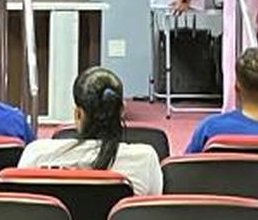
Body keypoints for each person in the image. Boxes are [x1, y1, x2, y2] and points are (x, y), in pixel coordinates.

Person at [18, 65, 162, 195]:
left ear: (78, 114)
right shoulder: (145, 159)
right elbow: (153, 212)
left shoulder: (36, 154)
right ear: (121, 111)